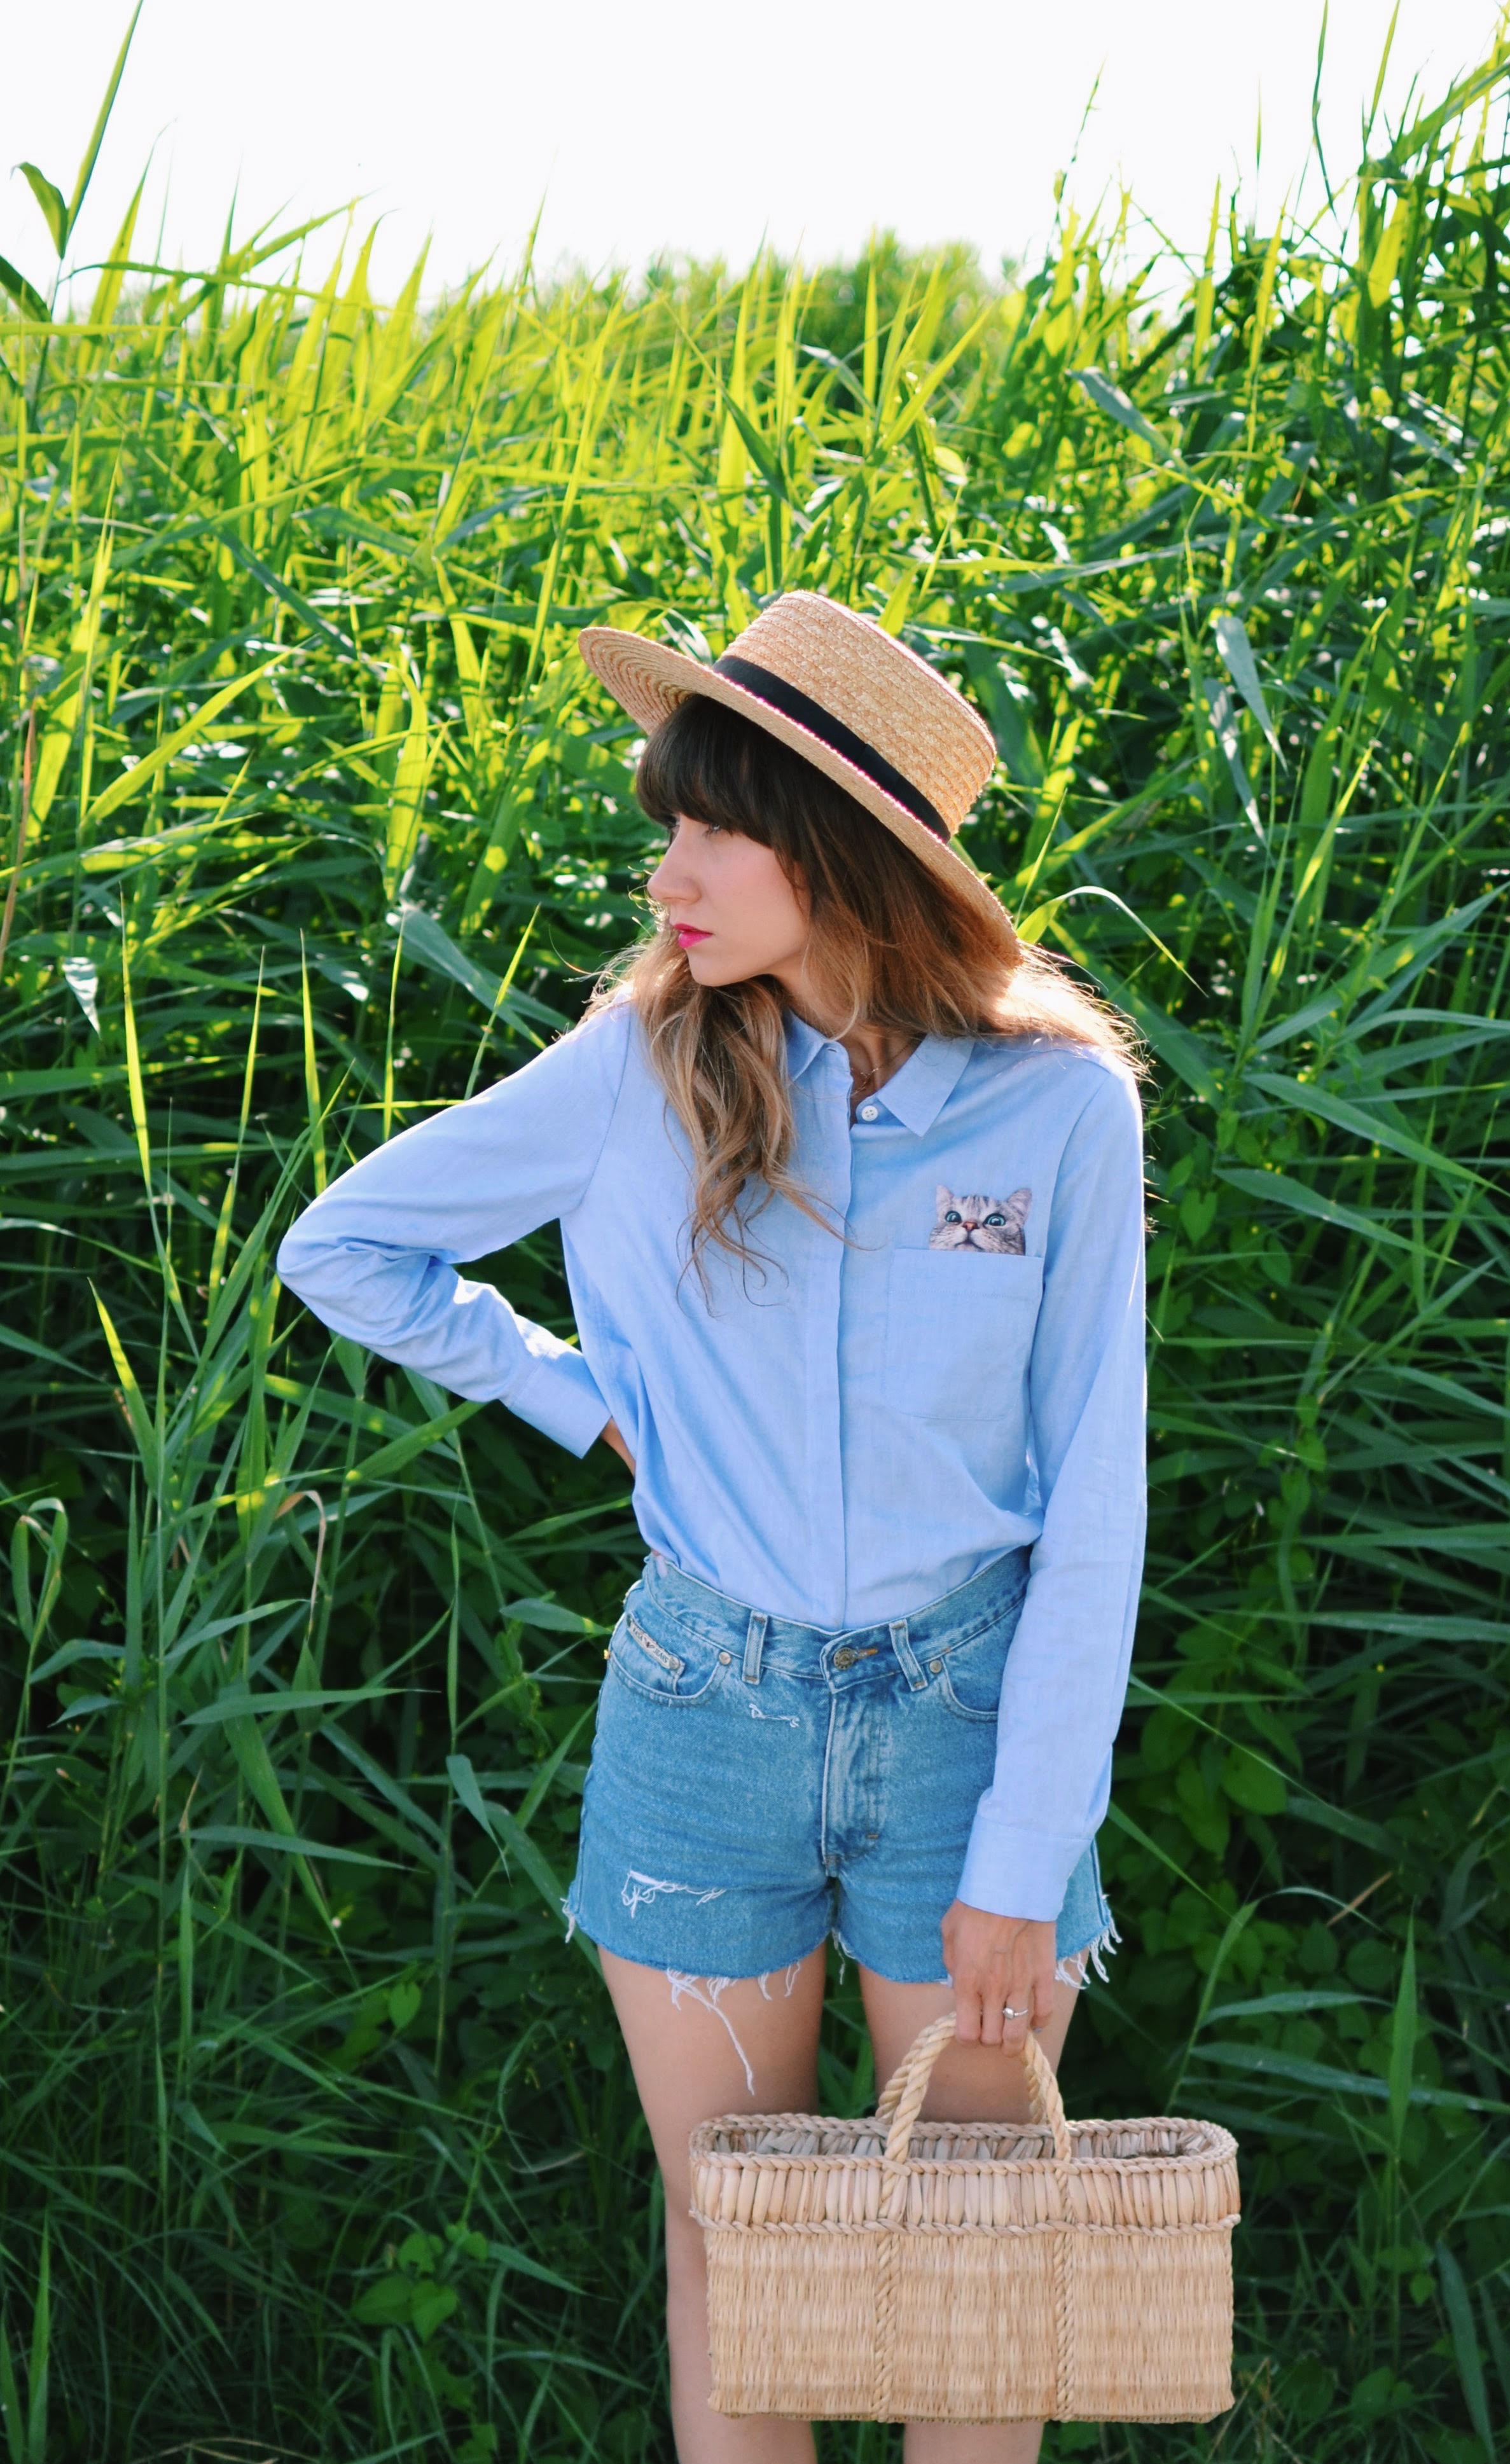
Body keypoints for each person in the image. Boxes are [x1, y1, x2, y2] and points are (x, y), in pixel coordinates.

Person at [277, 592, 1149, 2463]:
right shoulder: (634, 1068)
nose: (668, 872)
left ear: (842, 852)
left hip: (967, 1719)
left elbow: (1098, 1499)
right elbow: (345, 1247)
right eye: (666, 821)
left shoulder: (1057, 1107)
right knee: (740, 2237)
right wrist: (582, 1397)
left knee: (976, 2250)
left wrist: (1025, 1851)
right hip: (704, 1711)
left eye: (715, 828)